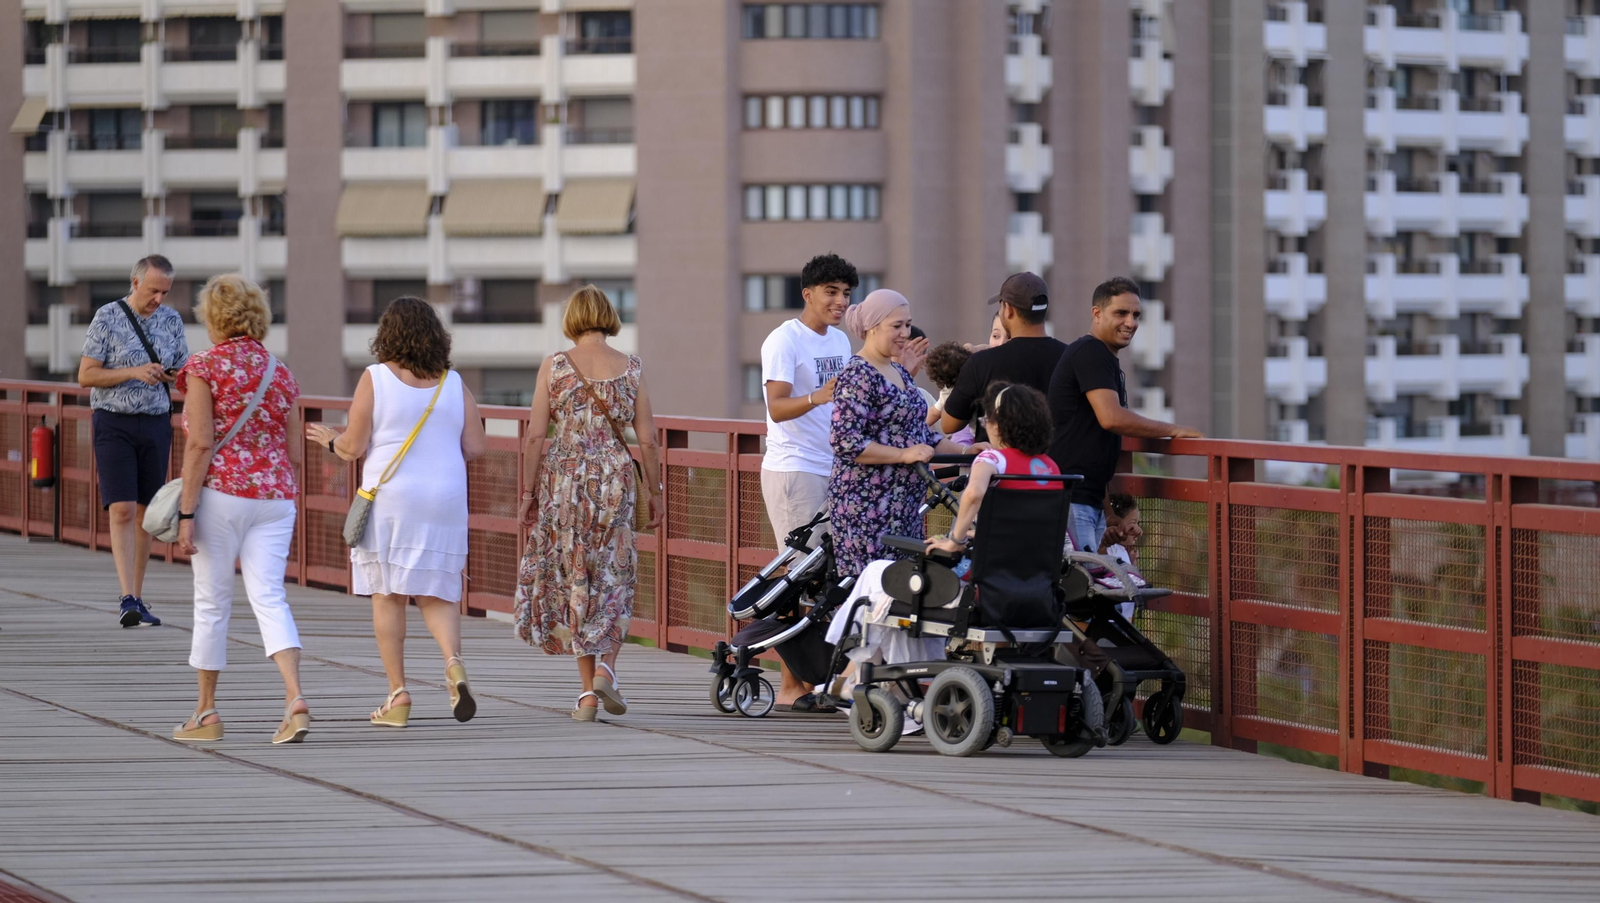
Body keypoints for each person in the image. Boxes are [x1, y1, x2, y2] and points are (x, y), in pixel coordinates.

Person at [306, 297, 488, 729]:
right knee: (438, 592)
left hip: (392, 500)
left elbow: (353, 446)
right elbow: (477, 447)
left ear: (387, 335)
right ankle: (453, 663)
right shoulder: (453, 383)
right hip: (445, 501)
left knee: (388, 594)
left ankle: (397, 694)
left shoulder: (376, 378)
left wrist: (330, 440)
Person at [513, 286, 663, 722]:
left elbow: (536, 436)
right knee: (614, 577)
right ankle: (608, 670)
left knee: (576, 577)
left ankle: (586, 696)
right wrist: (655, 492)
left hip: (563, 483)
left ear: (573, 319)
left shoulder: (554, 366)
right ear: (609, 317)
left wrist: (527, 494)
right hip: (614, 481)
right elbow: (648, 439)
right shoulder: (632, 368)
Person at [170, 275, 307, 744]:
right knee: (270, 596)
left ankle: (206, 713)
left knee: (212, 602)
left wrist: (186, 514)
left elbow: (200, 443)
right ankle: (294, 699)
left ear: (213, 318)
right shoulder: (280, 370)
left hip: (222, 495)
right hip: (275, 498)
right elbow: (294, 450)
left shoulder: (204, 366)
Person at [758, 253, 855, 710]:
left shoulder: (839, 339)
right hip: (795, 469)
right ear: (808, 293)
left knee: (827, 577)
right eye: (832, 292)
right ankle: (791, 686)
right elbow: (777, 407)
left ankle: (814, 680)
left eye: (847, 293)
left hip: (833, 469)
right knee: (799, 576)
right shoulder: (784, 340)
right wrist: (820, 395)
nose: (840, 301)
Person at [1047, 277, 1202, 554]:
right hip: (1072, 499)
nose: (1131, 322)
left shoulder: (1102, 357)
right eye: (1121, 313)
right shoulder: (1091, 352)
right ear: (1097, 313)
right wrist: (1174, 430)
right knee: (1081, 589)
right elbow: (1112, 418)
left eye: (1136, 315)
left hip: (1086, 499)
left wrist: (1108, 511)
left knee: (1089, 586)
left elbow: (1093, 442)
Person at [829, 289, 978, 578]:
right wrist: (902, 455)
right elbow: (844, 440)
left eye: (907, 325)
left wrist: (965, 452)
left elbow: (921, 433)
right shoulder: (858, 373)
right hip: (865, 508)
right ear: (872, 328)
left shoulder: (899, 373)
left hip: (903, 507)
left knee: (900, 593)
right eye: (896, 326)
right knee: (871, 592)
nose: (904, 333)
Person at [78, 255, 189, 628]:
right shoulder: (107, 316)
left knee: (147, 513)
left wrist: (170, 375)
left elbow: (183, 372)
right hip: (113, 422)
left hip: (156, 421)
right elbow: (86, 375)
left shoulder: (172, 320)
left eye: (165, 291)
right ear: (136, 282)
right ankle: (126, 596)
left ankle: (137, 598)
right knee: (121, 509)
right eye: (154, 289)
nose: (159, 298)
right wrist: (133, 372)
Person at [940, 272, 1065, 442]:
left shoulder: (981, 363)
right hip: (1056, 466)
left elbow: (948, 424)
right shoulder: (1070, 357)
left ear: (1008, 309)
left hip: (997, 467)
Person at [1100, 492, 1143, 620]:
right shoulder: (1109, 546)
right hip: (1113, 618)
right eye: (1133, 522)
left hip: (1126, 618)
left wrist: (1132, 564)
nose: (1137, 529)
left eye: (1138, 523)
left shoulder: (1124, 551)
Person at [924, 341, 975, 446]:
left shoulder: (949, 391)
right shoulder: (978, 375)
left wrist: (915, 426)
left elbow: (934, 412)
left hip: (968, 430)